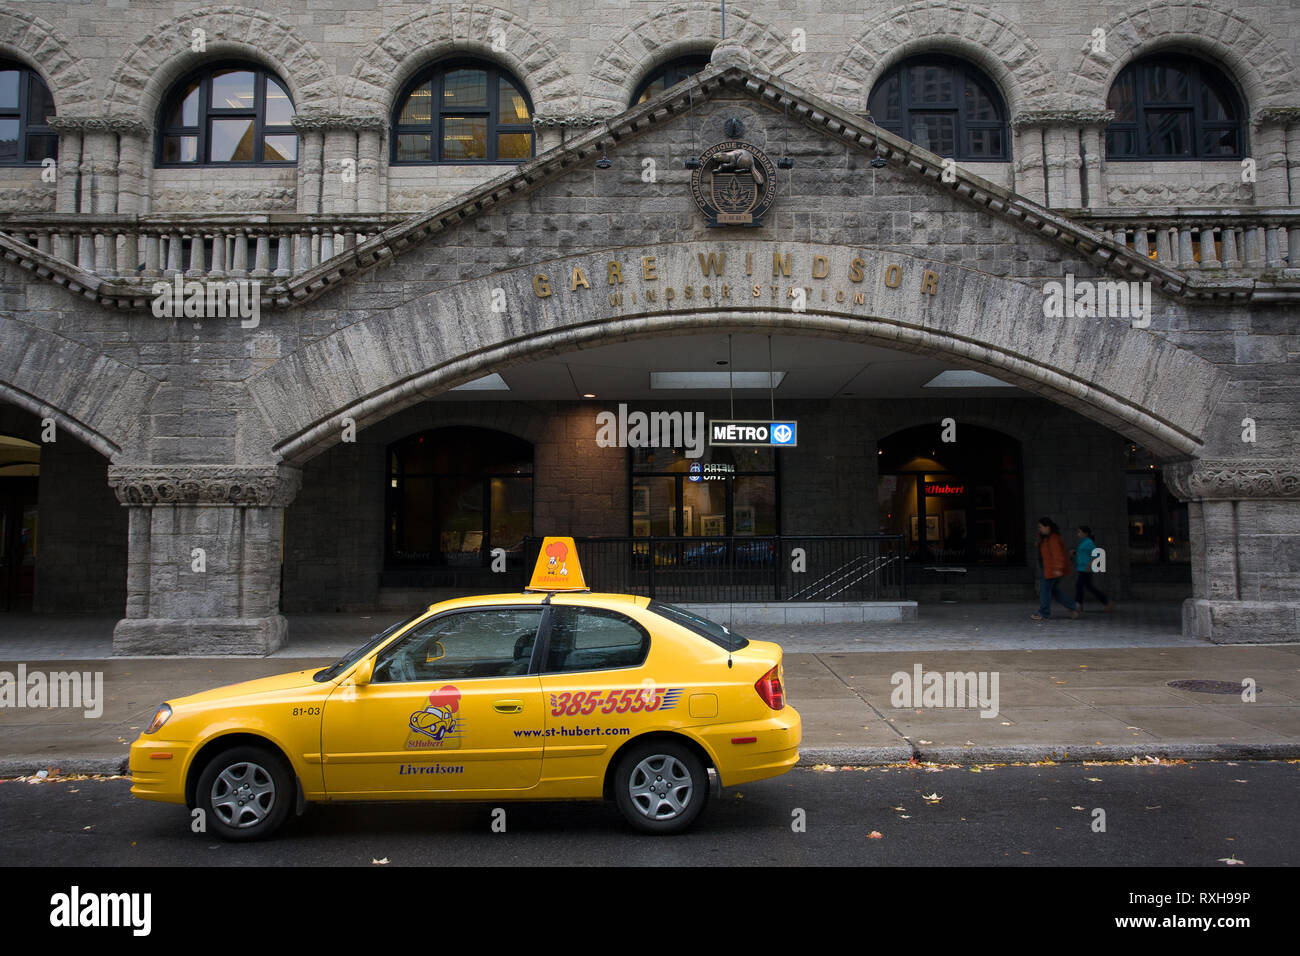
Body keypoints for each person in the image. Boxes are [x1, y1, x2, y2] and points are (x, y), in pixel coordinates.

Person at [1031, 517, 1078, 621]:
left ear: (1047, 527)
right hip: (1050, 569)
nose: (1039, 529)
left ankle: (1043, 613)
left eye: (1040, 527)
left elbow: (1058, 555)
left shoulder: (1053, 539)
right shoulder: (1047, 538)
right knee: (1053, 591)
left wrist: (1057, 569)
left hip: (1051, 570)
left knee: (1044, 590)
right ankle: (1073, 607)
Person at [1072, 525, 1115, 612]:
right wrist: (1075, 553)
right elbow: (1084, 553)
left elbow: (1097, 554)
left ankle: (1078, 606)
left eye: (1080, 532)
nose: (1078, 534)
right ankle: (1107, 602)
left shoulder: (1089, 542)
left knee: (1081, 586)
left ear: (1085, 533)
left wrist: (1090, 564)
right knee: (1088, 586)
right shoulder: (1084, 542)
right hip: (1082, 568)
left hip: (1086, 568)